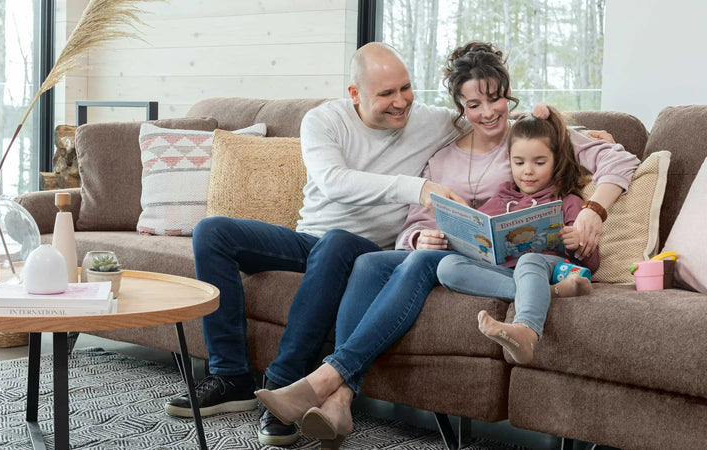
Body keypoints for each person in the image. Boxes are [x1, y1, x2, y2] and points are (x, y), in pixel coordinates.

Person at [254, 41, 639, 449]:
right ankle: (341, 398)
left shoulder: (528, 141)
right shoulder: (440, 157)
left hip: (497, 262)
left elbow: (619, 159)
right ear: (459, 109)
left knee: (425, 263)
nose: (488, 112)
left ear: (509, 95)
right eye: (474, 105)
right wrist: (419, 237)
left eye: (496, 99)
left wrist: (593, 210)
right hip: (455, 254)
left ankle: (332, 378)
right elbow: (415, 221)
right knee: (370, 262)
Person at [164, 42, 468, 446]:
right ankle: (230, 376)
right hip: (310, 241)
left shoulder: (431, 121)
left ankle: (283, 387)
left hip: (368, 252)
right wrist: (421, 188)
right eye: (386, 94)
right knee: (212, 231)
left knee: (340, 242)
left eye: (406, 88)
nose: (402, 102)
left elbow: (497, 121)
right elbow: (333, 181)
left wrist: (544, 118)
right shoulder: (323, 120)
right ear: (355, 94)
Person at [436, 103, 599, 365]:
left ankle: (526, 331)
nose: (528, 171)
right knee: (446, 267)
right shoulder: (501, 199)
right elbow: (479, 236)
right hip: (507, 272)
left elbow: (592, 264)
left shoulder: (567, 201)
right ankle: (550, 292)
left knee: (529, 260)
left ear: (556, 160)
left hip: (548, 265)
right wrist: (458, 237)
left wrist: (577, 243)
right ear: (509, 160)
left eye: (539, 162)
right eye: (519, 162)